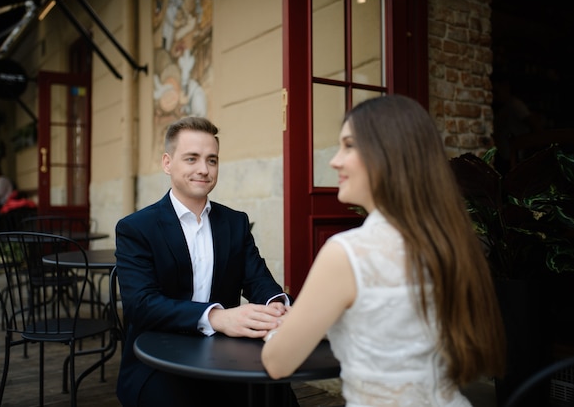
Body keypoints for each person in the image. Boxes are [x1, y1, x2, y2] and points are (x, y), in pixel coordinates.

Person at [262, 95, 507, 406]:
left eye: (349, 145)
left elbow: (277, 363)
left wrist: (280, 329)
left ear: (387, 155)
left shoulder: (347, 253)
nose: (335, 160)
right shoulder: (451, 241)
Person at [115, 116, 297, 407]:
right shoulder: (136, 228)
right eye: (192, 159)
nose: (204, 169)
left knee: (276, 390)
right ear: (167, 163)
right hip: (157, 358)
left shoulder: (235, 222)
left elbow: (258, 280)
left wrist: (276, 306)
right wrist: (216, 317)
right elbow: (141, 305)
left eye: (212, 160)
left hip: (224, 353)